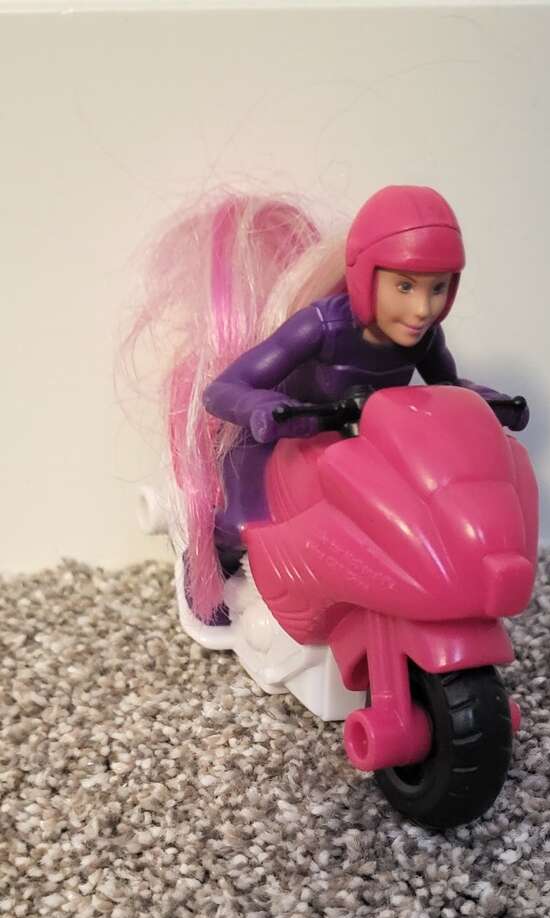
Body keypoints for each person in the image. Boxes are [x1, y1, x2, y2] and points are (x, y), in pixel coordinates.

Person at [128, 185, 528, 624]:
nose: (421, 309)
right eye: (405, 286)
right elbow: (223, 388)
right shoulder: (322, 326)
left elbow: (447, 388)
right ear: (366, 275)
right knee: (245, 523)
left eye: (438, 288)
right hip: (283, 437)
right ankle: (209, 568)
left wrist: (486, 402)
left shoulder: (425, 338)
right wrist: (264, 408)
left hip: (363, 448)